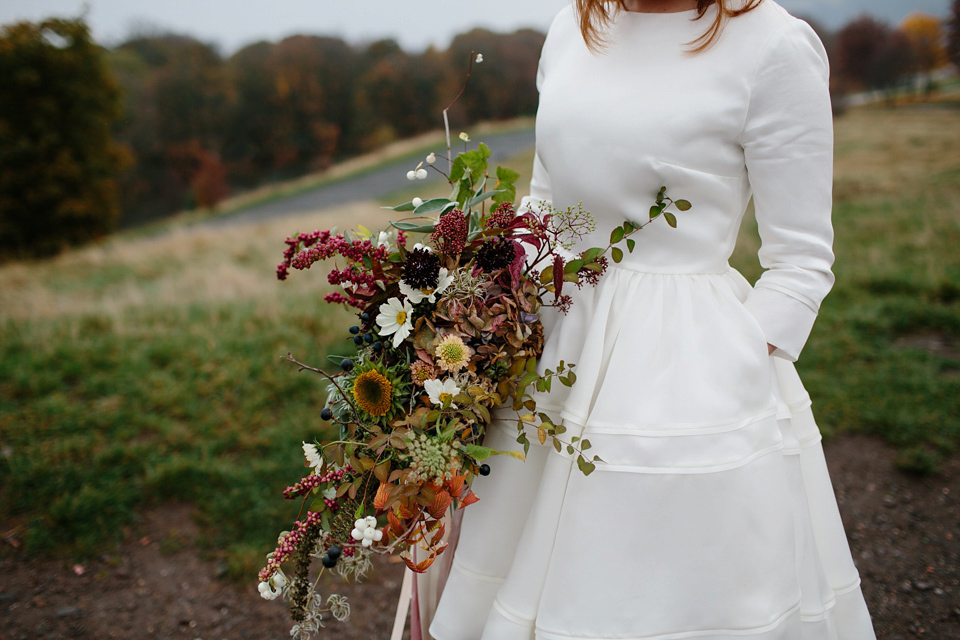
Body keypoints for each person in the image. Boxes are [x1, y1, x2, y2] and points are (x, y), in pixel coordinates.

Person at [426, 1, 878, 638]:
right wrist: (476, 311)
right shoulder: (571, 28)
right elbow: (548, 204)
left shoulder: (774, 46)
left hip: (691, 375)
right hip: (552, 351)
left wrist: (736, 362)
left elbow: (801, 262)